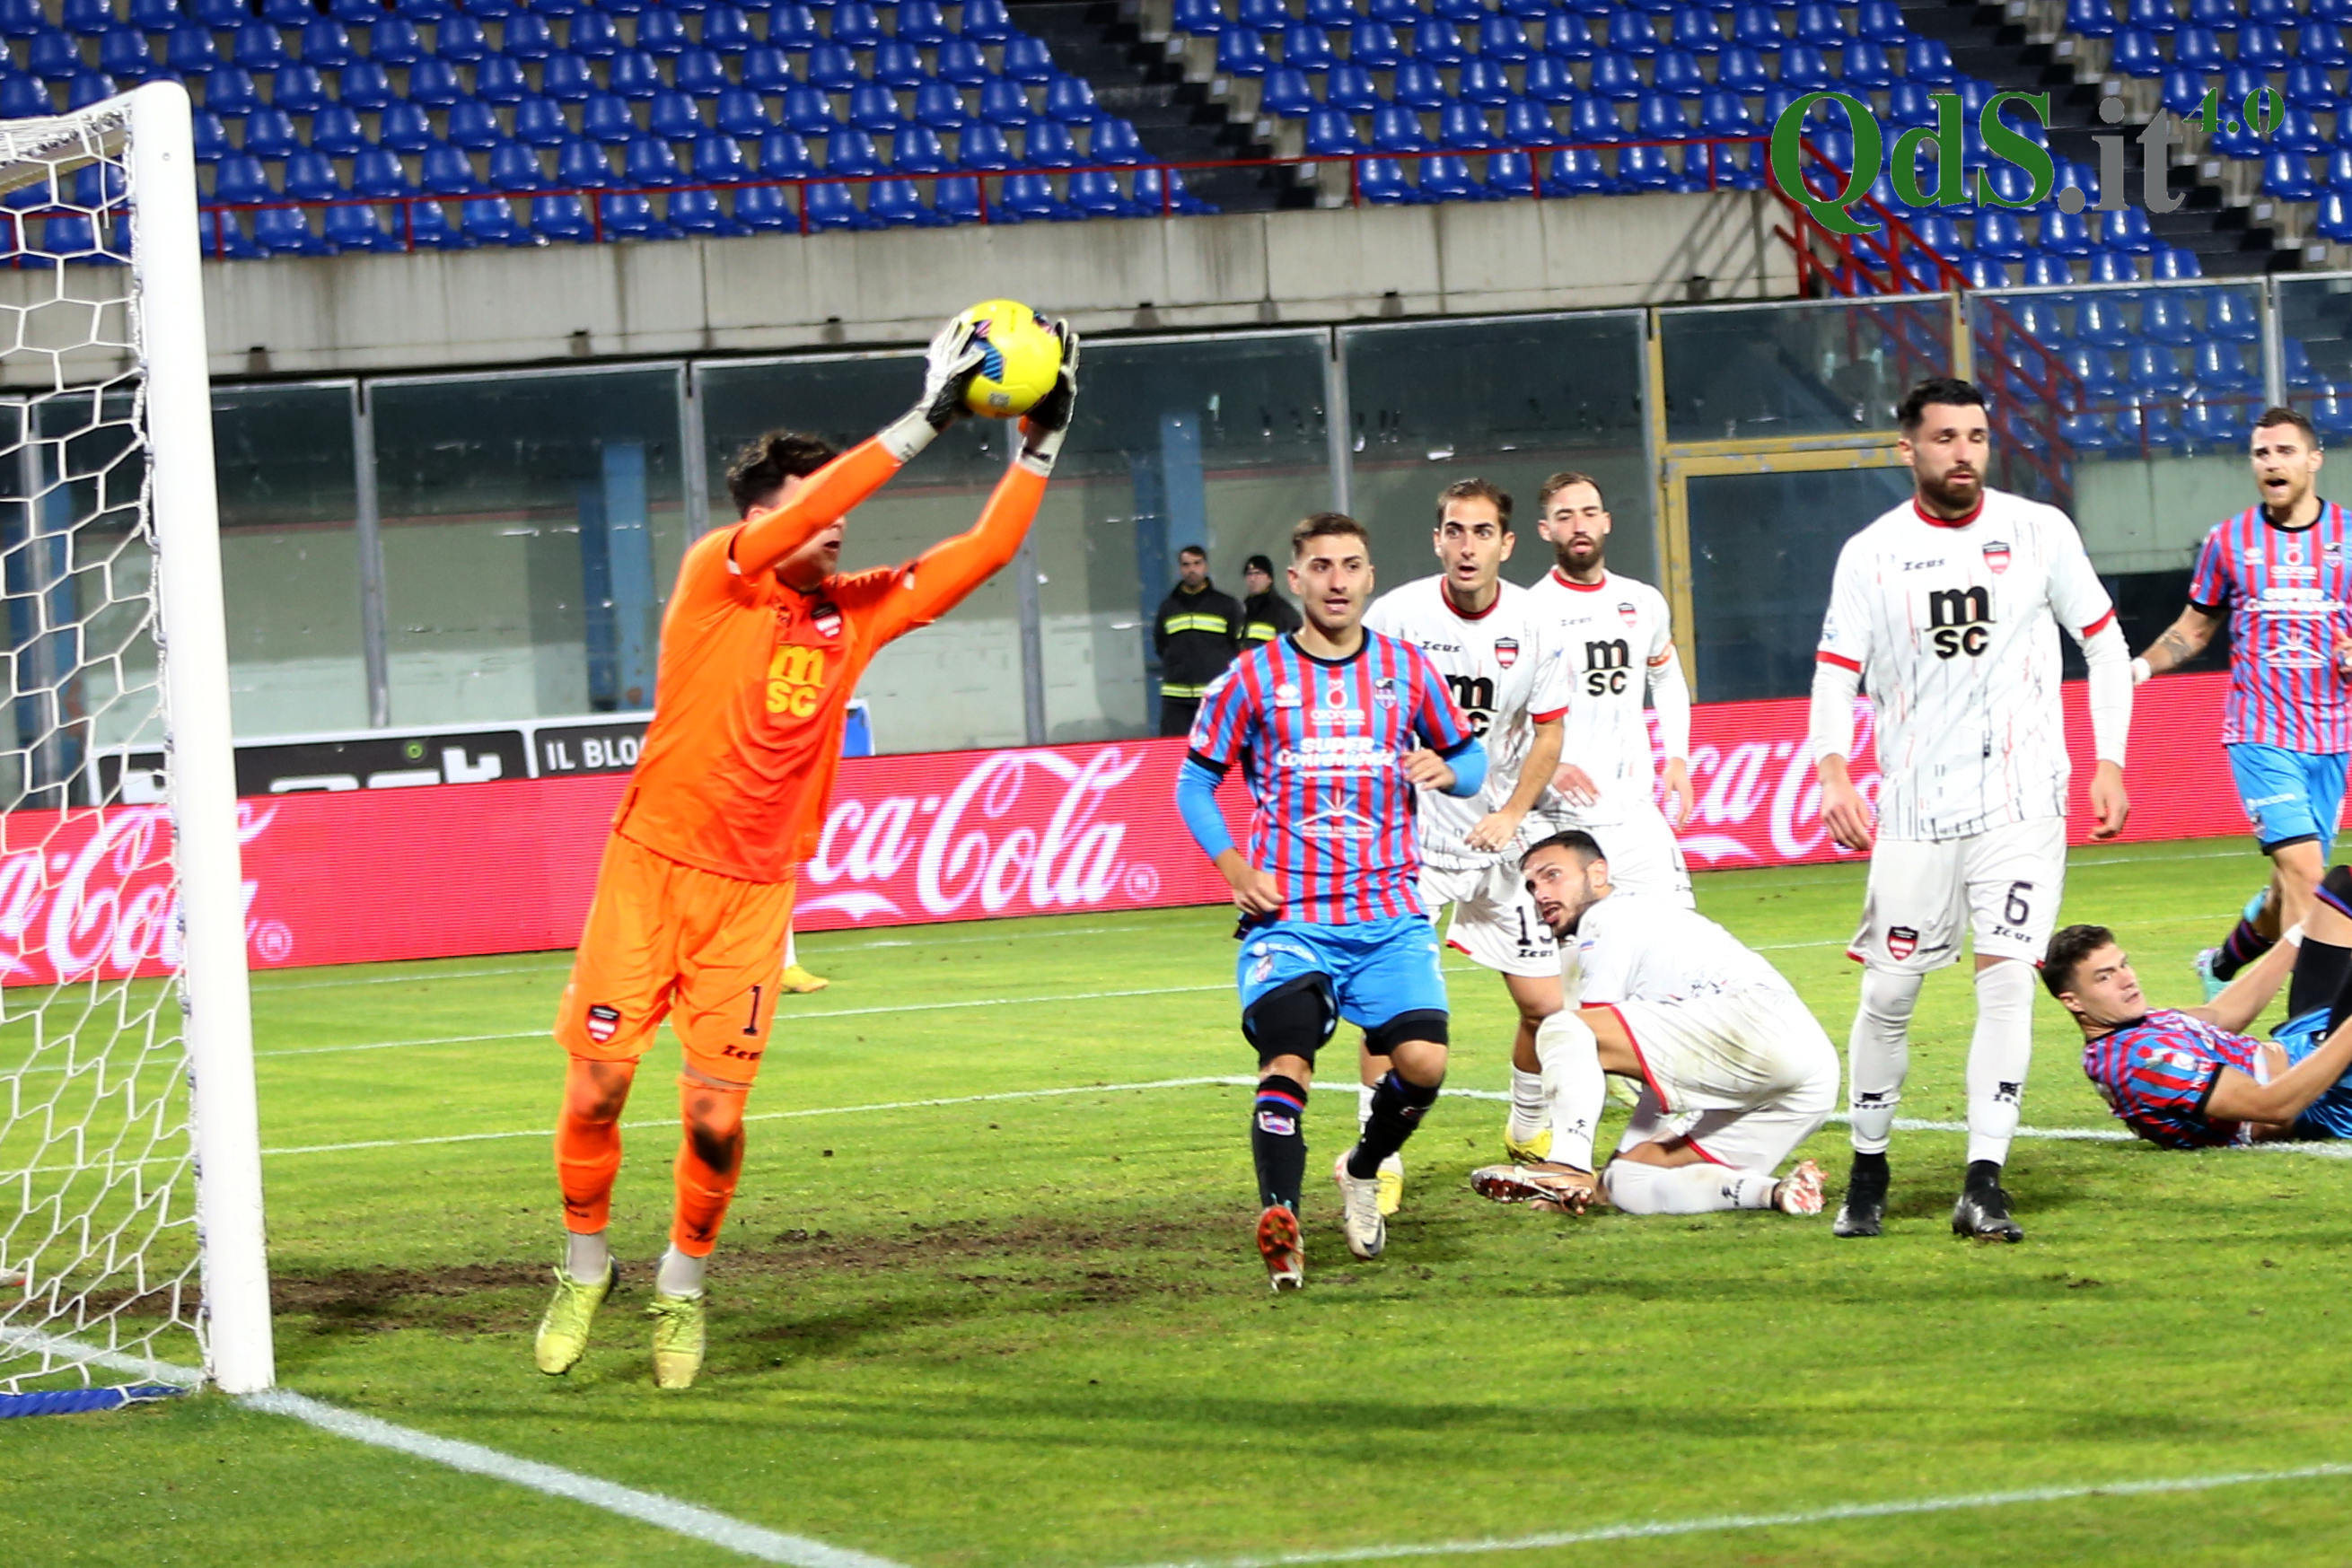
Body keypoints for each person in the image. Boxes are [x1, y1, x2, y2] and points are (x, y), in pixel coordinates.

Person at [533, 315, 1080, 1388]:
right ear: (760, 519)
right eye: (814, 507)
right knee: (596, 1089)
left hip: (751, 897)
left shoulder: (851, 616)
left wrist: (1043, 443)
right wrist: (926, 419)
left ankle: (681, 1288)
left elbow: (984, 553)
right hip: (647, 870)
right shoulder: (716, 576)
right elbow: (816, 507)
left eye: (835, 509)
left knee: (714, 1117)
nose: (836, 524)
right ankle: (584, 1267)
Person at [1811, 376, 2133, 1244]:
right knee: (1890, 991)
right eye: (1946, 437)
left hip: (2023, 802)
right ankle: (1868, 1169)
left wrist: (2108, 758)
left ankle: (1984, 1181)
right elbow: (1836, 673)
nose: (1964, 453)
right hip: (1916, 808)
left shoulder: (2040, 531)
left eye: (1977, 437)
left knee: (2009, 984)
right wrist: (1834, 770)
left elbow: (2105, 645)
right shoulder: (1872, 553)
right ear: (1907, 448)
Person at [1175, 512, 1487, 1290]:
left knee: (1424, 1063)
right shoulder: (1251, 677)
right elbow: (1195, 782)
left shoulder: (1407, 670)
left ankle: (1363, 1168)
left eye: (1351, 565)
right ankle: (1281, 1223)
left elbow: (1472, 758)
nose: (1337, 580)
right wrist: (1233, 865)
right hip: (1292, 920)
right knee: (1287, 1056)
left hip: (1388, 917)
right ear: (1296, 579)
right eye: (1321, 566)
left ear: (1370, 577)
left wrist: (1450, 771)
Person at [1362, 478, 1570, 1213]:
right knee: (1391, 1013)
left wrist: (1513, 812)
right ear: (1437, 539)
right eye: (1455, 530)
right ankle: (1377, 1159)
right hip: (1411, 844)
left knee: (1545, 1005)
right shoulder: (1397, 617)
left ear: (1506, 544)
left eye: (1482, 532)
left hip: (1501, 839)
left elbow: (1549, 730)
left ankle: (1528, 1126)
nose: (1467, 545)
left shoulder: (1537, 623)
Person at [1469, 831, 1834, 1218]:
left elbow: (1590, 1037)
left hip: (1753, 1022)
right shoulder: (1649, 924)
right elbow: (1655, 1087)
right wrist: (1611, 1170)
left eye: (1552, 875)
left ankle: (1566, 1164)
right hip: (1810, 1077)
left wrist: (1573, 1170)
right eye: (1531, 885)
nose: (1540, 894)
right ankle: (1777, 1193)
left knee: (1565, 1027)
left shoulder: (1608, 917)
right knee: (1624, 1181)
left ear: (1597, 873)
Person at [2128, 407, 2352, 1000]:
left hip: (2333, 738)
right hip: (2260, 732)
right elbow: (2194, 628)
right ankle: (2306, 1029)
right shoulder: (2229, 541)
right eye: (2261, 453)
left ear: (2314, 459)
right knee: (2308, 876)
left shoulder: (2350, 538)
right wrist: (2138, 668)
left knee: (2289, 887)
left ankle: (2221, 965)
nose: (2271, 463)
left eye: (2284, 451)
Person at [2049, 872, 2352, 1150]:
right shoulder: (2144, 1063)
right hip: (2329, 1097)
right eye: (2105, 977)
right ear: (2073, 1001)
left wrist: (2300, 934)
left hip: (2303, 1041)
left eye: (2123, 965)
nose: (2127, 979)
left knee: (2340, 887)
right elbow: (2273, 1106)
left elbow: (2221, 1016)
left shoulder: (2132, 1026)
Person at [1524, 471, 1695, 907]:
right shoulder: (1528, 612)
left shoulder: (1643, 600)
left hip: (1635, 810)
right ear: (1546, 530)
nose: (1579, 525)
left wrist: (1677, 758)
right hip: (1560, 815)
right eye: (1565, 517)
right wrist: (1546, 764)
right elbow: (1507, 715)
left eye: (1588, 513)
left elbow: (1666, 678)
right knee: (1573, 942)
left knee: (1678, 930)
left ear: (1606, 521)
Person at [1154, 545, 1244, 736]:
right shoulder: (1168, 607)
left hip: (1215, 697)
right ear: (1180, 568)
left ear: (1205, 566)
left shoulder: (1226, 605)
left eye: (1197, 564)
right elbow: (1161, 645)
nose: (1192, 569)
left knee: (1219, 748)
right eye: (1186, 565)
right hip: (1176, 701)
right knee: (1174, 751)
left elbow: (1238, 647)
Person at [1240, 553, 1303, 646]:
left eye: (1258, 573)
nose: (1253, 579)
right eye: (1249, 574)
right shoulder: (1242, 610)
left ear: (1269, 578)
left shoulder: (1282, 611)